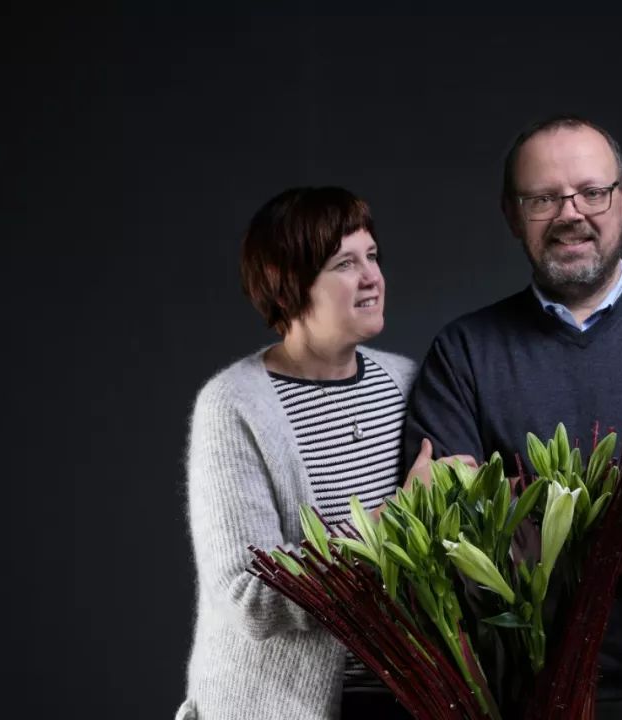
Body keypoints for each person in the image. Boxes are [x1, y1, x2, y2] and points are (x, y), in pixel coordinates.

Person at [404, 116, 622, 719]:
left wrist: (526, 503)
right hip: (522, 701)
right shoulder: (463, 352)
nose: (570, 212)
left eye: (590, 192)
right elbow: (457, 534)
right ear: (512, 214)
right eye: (543, 198)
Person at [178, 187, 432, 720]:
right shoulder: (233, 407)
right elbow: (250, 596)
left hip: (409, 701)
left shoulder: (407, 384)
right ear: (290, 286)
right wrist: (400, 518)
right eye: (345, 263)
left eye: (373, 255)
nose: (372, 277)